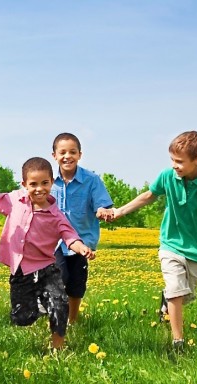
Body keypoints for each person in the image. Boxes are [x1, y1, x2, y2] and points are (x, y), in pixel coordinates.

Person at [102, 130, 197, 352]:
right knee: (176, 290)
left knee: (185, 294)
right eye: (172, 160)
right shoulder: (167, 176)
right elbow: (149, 195)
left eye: (180, 161)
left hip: (195, 249)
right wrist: (120, 211)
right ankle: (178, 342)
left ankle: (166, 303)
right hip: (170, 244)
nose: (174, 166)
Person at [0, 157, 95, 350]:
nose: (39, 188)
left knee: (60, 304)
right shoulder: (15, 200)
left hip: (47, 268)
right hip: (20, 269)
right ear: (24, 184)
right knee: (22, 318)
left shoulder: (56, 215)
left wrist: (81, 248)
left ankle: (57, 347)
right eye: (33, 184)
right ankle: (41, 307)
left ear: (51, 182)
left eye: (45, 183)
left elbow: (70, 237)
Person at [50, 132, 115, 325]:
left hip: (82, 242)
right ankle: (56, 318)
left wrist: (103, 210)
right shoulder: (49, 180)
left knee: (76, 284)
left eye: (72, 152)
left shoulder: (92, 180)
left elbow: (102, 204)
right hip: (54, 243)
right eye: (62, 152)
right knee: (59, 278)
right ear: (54, 155)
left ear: (80, 154)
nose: (67, 156)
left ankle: (73, 319)